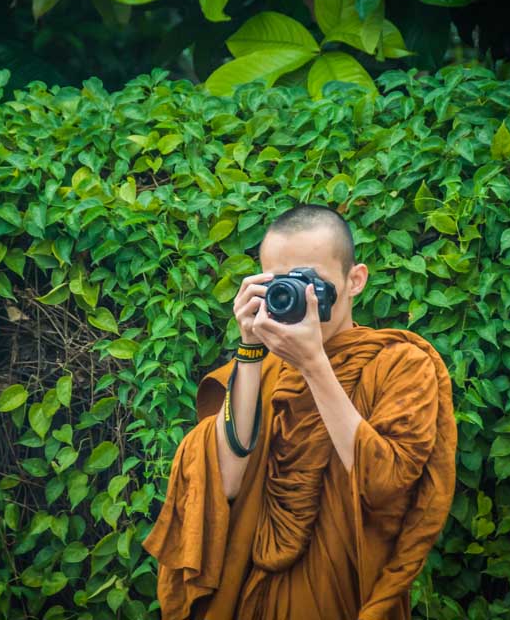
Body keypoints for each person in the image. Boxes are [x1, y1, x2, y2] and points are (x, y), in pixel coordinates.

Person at [142, 203, 457, 620]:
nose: (298, 299)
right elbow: (226, 483)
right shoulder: (266, 366)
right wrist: (250, 350)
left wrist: (314, 366)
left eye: (313, 283)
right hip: (251, 594)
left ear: (354, 280)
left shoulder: (400, 363)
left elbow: (385, 484)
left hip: (343, 595)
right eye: (280, 284)